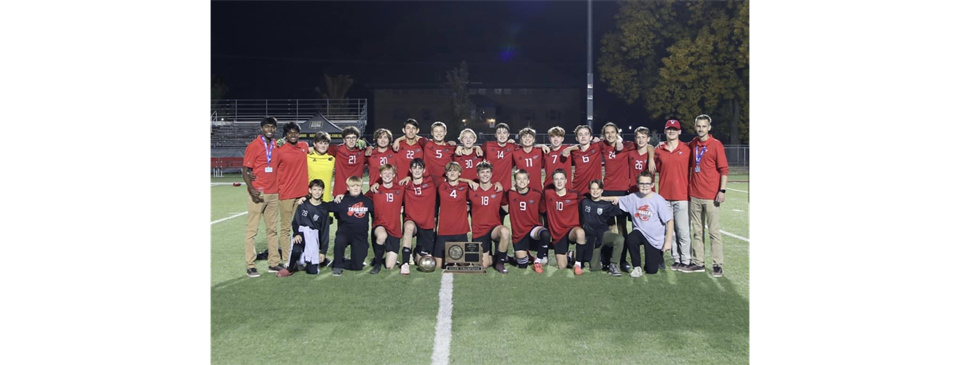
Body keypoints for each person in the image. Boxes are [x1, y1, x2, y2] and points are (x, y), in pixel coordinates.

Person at [601, 171, 673, 277]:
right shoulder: (633, 198)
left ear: (652, 185)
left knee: (651, 270)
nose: (644, 186)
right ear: (638, 184)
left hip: (654, 239)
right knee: (631, 238)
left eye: (647, 184)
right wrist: (597, 198)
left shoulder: (658, 200)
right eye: (642, 183)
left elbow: (669, 220)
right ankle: (637, 267)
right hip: (640, 232)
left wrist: (668, 242)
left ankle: (656, 257)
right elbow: (615, 199)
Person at [686, 114, 729, 277]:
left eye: (704, 126)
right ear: (695, 127)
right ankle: (699, 262)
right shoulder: (693, 144)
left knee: (714, 232)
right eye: (698, 126)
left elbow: (724, 170)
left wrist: (722, 190)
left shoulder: (716, 145)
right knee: (697, 231)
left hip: (711, 196)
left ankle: (717, 264)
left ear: (709, 127)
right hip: (695, 195)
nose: (701, 129)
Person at [241, 116, 281, 277]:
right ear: (261, 128)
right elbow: (245, 170)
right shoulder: (254, 145)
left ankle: (274, 263)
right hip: (258, 193)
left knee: (272, 230)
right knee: (252, 230)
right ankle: (250, 265)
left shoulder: (277, 145)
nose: (269, 130)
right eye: (267, 127)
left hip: (274, 193)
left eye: (272, 127)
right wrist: (252, 189)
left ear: (275, 129)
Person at [655, 119, 692, 271]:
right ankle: (676, 259)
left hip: (682, 195)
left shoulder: (687, 149)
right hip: (664, 196)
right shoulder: (659, 150)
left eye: (674, 129)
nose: (671, 131)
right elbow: (656, 169)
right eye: (669, 129)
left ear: (679, 132)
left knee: (683, 230)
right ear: (665, 131)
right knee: (670, 231)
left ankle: (687, 259)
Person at [276, 179, 332, 277]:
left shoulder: (324, 209)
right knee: (296, 249)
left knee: (312, 272)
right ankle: (289, 269)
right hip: (301, 233)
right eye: (314, 189)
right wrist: (297, 233)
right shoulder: (303, 204)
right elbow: (295, 222)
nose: (317, 192)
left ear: (323, 191)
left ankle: (307, 262)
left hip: (313, 237)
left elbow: (325, 231)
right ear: (310, 190)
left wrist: (323, 252)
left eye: (319, 189)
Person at [275, 122, 309, 268]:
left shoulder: (304, 146)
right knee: (285, 228)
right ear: (285, 135)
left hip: (301, 195)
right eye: (290, 133)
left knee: (300, 228)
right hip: (286, 194)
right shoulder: (279, 149)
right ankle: (287, 259)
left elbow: (323, 148)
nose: (293, 135)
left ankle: (299, 257)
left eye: (295, 132)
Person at [467, 161, 511, 273]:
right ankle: (502, 257)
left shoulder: (498, 190)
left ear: (491, 174)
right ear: (477, 174)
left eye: (487, 172)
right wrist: (467, 180)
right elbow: (453, 179)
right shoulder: (471, 190)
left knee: (505, 232)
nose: (485, 174)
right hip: (479, 231)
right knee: (482, 265)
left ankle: (500, 264)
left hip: (493, 228)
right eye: (482, 172)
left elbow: (508, 209)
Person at [542, 169, 587, 275]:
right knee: (562, 266)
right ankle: (569, 257)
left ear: (566, 180)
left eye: (561, 179)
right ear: (552, 181)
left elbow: (591, 201)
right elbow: (540, 209)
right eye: (556, 179)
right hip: (558, 234)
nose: (559, 182)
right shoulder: (548, 194)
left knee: (580, 233)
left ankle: (578, 264)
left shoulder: (575, 195)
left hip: (572, 230)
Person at [502, 169, 548, 272]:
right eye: (519, 179)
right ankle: (521, 256)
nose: (521, 181)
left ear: (528, 181)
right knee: (523, 265)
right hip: (519, 234)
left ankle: (537, 261)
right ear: (515, 181)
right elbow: (504, 205)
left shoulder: (537, 194)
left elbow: (542, 211)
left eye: (524, 179)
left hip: (533, 229)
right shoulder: (509, 193)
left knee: (545, 234)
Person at [330, 176, 375, 276]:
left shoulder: (367, 201)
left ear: (361, 187)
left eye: (358, 186)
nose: (355, 188)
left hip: (360, 236)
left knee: (358, 266)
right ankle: (337, 266)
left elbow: (377, 213)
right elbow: (324, 207)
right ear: (347, 187)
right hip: (345, 233)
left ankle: (342, 262)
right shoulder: (341, 200)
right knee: (339, 240)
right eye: (353, 186)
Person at [580, 179, 626, 277]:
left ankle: (613, 264)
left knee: (619, 239)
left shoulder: (607, 205)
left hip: (603, 235)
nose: (595, 191)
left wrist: (612, 200)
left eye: (598, 189)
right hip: (591, 238)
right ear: (589, 190)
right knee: (594, 268)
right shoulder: (584, 202)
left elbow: (622, 208)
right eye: (592, 189)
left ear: (602, 190)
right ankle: (575, 256)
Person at [543, 126, 571, 190]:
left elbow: (581, 146)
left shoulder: (568, 149)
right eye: (553, 137)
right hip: (549, 186)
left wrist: (571, 148)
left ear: (562, 139)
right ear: (549, 139)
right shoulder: (545, 151)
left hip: (565, 188)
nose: (556, 139)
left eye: (558, 137)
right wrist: (541, 145)